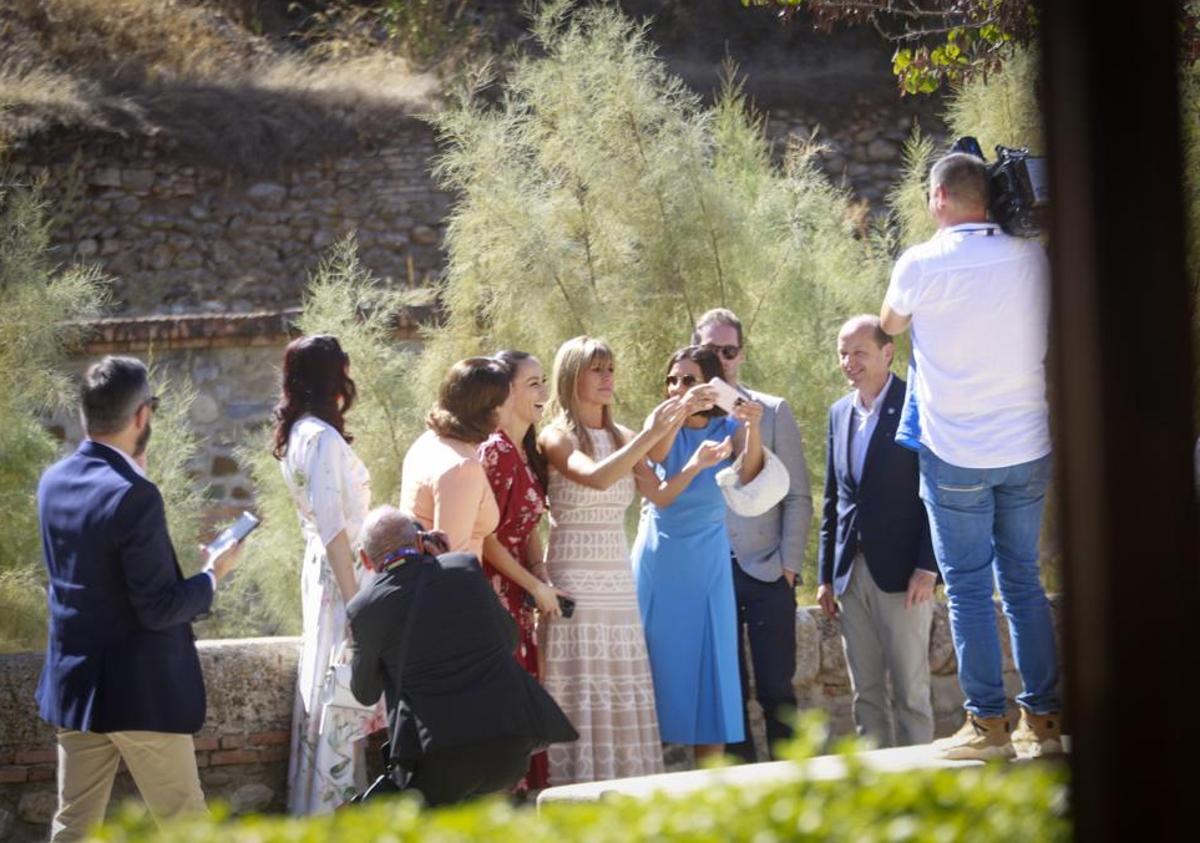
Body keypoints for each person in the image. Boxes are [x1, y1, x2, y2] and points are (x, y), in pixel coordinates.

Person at [881, 151, 1061, 759]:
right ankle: (1044, 719)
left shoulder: (920, 263)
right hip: (1028, 446)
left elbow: (890, 323)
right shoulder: (1031, 256)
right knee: (1023, 583)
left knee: (967, 588)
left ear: (937, 199)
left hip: (956, 452)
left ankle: (987, 725)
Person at [36, 356, 240, 842]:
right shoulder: (134, 495)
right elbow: (160, 607)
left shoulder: (53, 482)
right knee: (186, 825)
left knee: (72, 825)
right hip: (139, 692)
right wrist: (214, 574)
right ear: (143, 415)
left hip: (76, 686)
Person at [537, 335, 692, 784]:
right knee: (580, 685)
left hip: (617, 580)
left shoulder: (622, 435)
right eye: (597, 368)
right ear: (572, 376)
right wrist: (650, 433)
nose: (608, 378)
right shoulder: (555, 436)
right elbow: (599, 477)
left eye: (611, 368)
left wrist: (696, 459)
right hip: (575, 578)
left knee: (620, 683)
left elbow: (659, 493)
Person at [347, 507, 577, 806]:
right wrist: (445, 560)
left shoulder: (364, 609)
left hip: (438, 758)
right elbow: (509, 638)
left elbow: (365, 694)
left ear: (366, 560)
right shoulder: (464, 566)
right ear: (420, 541)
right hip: (507, 745)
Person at [631, 346, 765, 762]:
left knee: (711, 670)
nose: (678, 387)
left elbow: (750, 472)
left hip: (706, 561)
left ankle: (708, 787)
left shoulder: (728, 428)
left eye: (689, 379)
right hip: (657, 559)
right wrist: (676, 413)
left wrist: (754, 427)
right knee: (651, 667)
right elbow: (655, 457)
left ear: (711, 383)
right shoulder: (659, 422)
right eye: (672, 380)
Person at [692, 308, 813, 761]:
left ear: (741, 354)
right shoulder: (682, 417)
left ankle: (795, 791)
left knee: (778, 688)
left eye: (728, 350)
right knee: (728, 694)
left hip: (766, 571)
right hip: (708, 572)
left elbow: (799, 496)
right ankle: (742, 796)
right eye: (710, 350)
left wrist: (789, 566)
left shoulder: (774, 410)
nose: (720, 359)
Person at [273, 334, 385, 813]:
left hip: (324, 567)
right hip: (339, 572)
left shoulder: (300, 431)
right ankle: (332, 808)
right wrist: (357, 602)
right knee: (342, 683)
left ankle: (336, 799)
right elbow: (335, 527)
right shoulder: (320, 437)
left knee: (332, 684)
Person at [816, 316, 938, 748]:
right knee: (864, 694)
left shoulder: (918, 404)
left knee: (911, 692)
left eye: (859, 352)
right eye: (843, 353)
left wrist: (928, 566)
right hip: (852, 576)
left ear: (888, 353)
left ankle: (923, 784)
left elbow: (935, 493)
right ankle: (878, 788)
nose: (849, 362)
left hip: (905, 577)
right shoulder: (838, 413)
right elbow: (833, 500)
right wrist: (825, 576)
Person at [478, 349, 562, 791]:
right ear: (506, 391)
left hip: (518, 596)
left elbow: (527, 527)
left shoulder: (522, 451)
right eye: (533, 383)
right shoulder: (494, 452)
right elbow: (487, 538)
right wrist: (532, 583)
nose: (544, 392)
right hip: (494, 595)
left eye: (544, 381)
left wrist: (539, 572)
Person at [399, 357, 508, 559]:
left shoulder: (427, 441)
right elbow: (451, 562)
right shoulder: (462, 467)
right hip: (454, 587)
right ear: (490, 409)